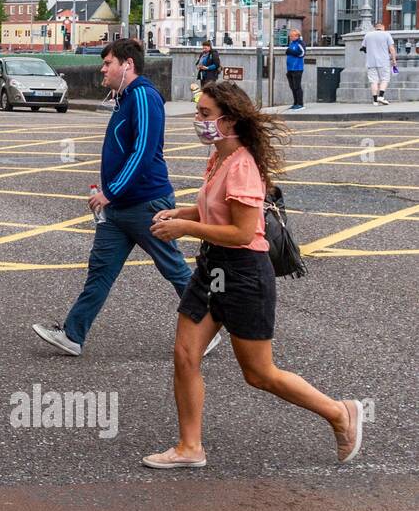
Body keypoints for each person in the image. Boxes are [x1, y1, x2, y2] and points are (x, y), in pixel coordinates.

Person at [143, 81, 364, 467]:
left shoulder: (242, 165)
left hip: (244, 273)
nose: (198, 120)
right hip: (213, 268)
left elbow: (243, 232)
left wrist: (185, 230)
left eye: (205, 114)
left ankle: (339, 413)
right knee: (185, 354)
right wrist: (183, 213)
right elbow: (218, 211)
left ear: (228, 121)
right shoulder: (219, 157)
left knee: (259, 373)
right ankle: (190, 448)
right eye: (199, 112)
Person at [33, 40, 219, 358]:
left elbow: (144, 152)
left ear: (127, 64)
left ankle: (207, 331)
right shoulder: (125, 99)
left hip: (146, 203)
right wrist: (111, 195)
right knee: (101, 271)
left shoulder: (144, 97)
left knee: (174, 268)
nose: (102, 68)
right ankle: (73, 335)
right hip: (119, 209)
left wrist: (111, 191)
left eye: (108, 63)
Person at [360, 21, 397, 105]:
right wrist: (394, 60)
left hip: (371, 62)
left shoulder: (368, 35)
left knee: (374, 81)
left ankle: (375, 101)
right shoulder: (386, 34)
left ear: (375, 27)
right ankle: (381, 96)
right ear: (383, 27)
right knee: (385, 79)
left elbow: (363, 48)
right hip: (383, 61)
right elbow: (391, 49)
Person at [284, 28, 306, 110]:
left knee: (297, 86)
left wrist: (291, 52)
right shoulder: (291, 43)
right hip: (290, 68)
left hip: (297, 68)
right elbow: (289, 52)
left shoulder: (300, 43)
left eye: (292, 36)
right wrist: (288, 51)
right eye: (290, 36)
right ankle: (295, 103)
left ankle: (300, 104)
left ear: (297, 36)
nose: (290, 37)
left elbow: (302, 53)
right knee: (292, 87)